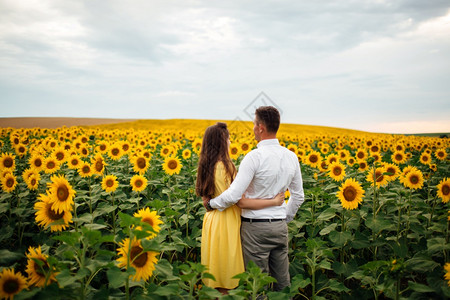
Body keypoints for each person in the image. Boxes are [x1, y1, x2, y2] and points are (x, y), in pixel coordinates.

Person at [203, 106, 304, 291]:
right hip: (280, 228)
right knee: (283, 284)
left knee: (257, 285)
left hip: (255, 229)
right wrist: (283, 217)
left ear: (260, 128)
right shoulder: (291, 157)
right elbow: (298, 196)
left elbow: (234, 195)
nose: (252, 128)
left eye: (253, 124)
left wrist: (211, 203)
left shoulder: (253, 158)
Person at [196, 122, 285, 294]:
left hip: (212, 221)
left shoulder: (205, 166)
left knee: (216, 272)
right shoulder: (227, 167)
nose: (230, 142)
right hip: (227, 222)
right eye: (228, 139)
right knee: (228, 276)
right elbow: (240, 201)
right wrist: (273, 202)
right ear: (222, 142)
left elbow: (205, 201)